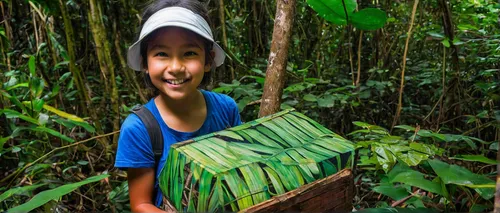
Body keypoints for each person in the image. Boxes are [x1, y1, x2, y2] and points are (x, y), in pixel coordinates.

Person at [114, 0, 242, 212]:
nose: (175, 67)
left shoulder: (226, 109)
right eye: (161, 54)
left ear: (208, 60)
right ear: (145, 63)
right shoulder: (139, 129)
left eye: (189, 53)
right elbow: (141, 205)